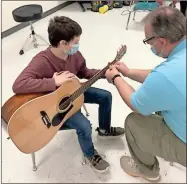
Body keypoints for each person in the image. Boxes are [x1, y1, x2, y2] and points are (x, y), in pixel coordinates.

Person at [12, 16, 125, 173]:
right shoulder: (41, 61)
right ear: (63, 44)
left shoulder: (74, 55)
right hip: (54, 108)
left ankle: (104, 130)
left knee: (105, 96)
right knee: (84, 126)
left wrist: (104, 72)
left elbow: (84, 72)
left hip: (73, 93)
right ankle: (90, 154)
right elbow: (18, 85)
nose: (78, 45)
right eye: (76, 42)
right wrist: (53, 82)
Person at [105, 7, 186, 182]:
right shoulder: (179, 60)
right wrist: (128, 72)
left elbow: (137, 104)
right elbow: (165, 81)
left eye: (148, 41)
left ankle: (147, 170)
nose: (149, 45)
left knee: (133, 122)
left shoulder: (167, 74)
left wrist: (116, 78)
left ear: (162, 42)